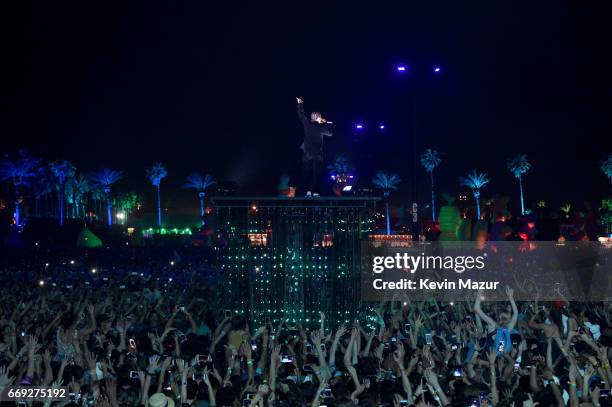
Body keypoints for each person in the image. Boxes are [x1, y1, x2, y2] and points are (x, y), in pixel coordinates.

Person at [296, 96, 333, 195]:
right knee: (316, 174)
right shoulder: (321, 127)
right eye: (320, 116)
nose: (321, 118)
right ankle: (315, 191)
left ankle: (307, 191)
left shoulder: (307, 123)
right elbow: (330, 133)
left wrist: (300, 103)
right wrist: (327, 123)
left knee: (306, 173)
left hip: (307, 153)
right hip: (317, 154)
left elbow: (301, 114)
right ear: (317, 117)